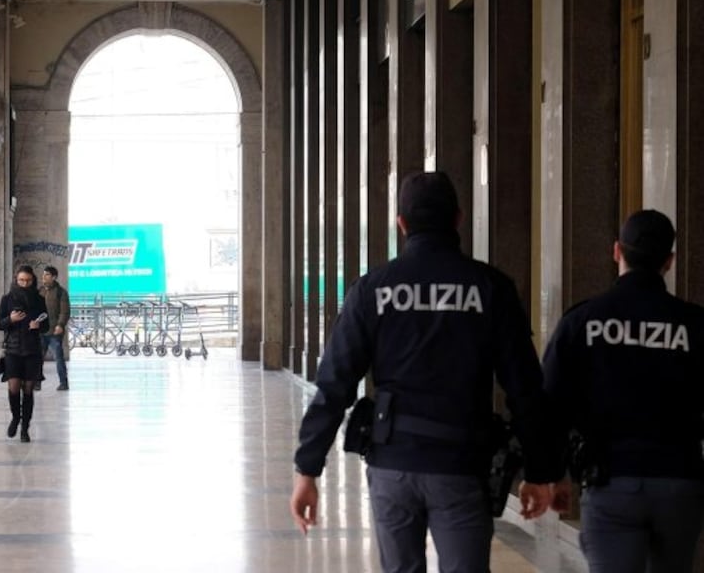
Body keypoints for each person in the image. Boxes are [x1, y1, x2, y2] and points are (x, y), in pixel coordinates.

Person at [289, 171, 557, 573]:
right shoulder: (491, 288)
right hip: (461, 466)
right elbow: (524, 387)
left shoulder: (371, 290)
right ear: (459, 219)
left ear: (401, 223)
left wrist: (307, 469)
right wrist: (540, 470)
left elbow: (334, 385)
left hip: (392, 463)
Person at [542, 209, 704, 573]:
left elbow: (550, 405)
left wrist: (553, 473)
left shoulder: (583, 322)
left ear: (617, 251)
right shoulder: (695, 326)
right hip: (679, 483)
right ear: (670, 261)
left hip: (611, 482)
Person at [0, 265, 49, 442]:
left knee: (28, 389)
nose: (24, 283)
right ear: (16, 280)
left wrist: (38, 325)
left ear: (32, 280)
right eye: (21, 280)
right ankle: (15, 418)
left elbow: (47, 324)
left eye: (28, 280)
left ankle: (25, 428)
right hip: (12, 349)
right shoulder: (7, 299)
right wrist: (10, 319)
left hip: (32, 349)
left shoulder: (39, 300)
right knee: (13, 387)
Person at [40, 265, 71, 391]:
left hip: (54, 331)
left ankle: (63, 382)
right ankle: (36, 382)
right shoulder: (40, 291)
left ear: (54, 277)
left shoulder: (61, 292)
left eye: (47, 275)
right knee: (37, 358)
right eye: (43, 274)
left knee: (58, 358)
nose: (44, 277)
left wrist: (60, 325)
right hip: (41, 330)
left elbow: (65, 311)